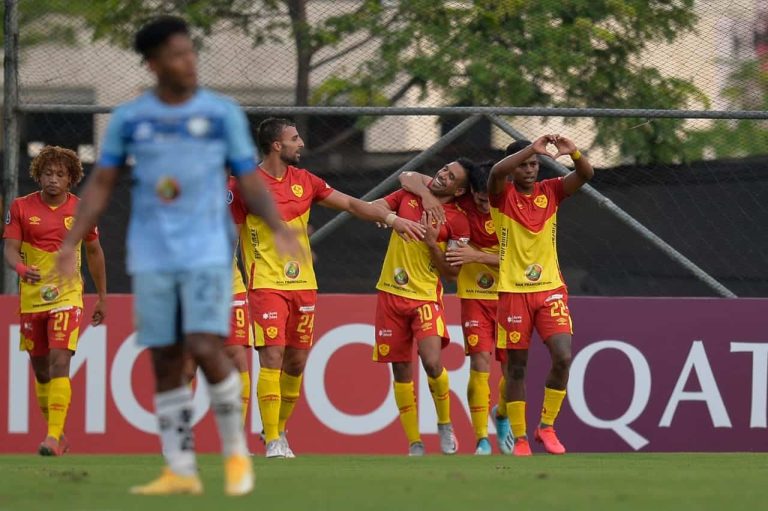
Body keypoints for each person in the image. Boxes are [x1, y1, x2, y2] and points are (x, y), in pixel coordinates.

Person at [56, 17, 299, 496]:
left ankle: (235, 454)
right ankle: (179, 467)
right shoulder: (130, 118)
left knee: (208, 347)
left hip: (208, 252)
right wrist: (70, 242)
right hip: (152, 254)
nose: (189, 62)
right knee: (166, 359)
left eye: (191, 52)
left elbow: (248, 178)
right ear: (153, 63)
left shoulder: (221, 113)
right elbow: (102, 183)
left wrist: (275, 224)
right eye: (177, 54)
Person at [231, 117, 425, 458]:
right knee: (272, 356)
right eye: (294, 138)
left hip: (304, 284)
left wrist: (394, 219)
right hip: (265, 283)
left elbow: (351, 204)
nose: (301, 143)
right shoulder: (244, 186)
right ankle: (274, 440)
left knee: (295, 362)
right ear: (277, 145)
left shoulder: (305, 181)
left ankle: (277, 431)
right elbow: (228, 237)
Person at [488, 135, 594, 456]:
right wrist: (528, 149)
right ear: (513, 169)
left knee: (563, 356)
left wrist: (573, 152)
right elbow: (495, 172)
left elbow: (586, 175)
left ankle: (546, 427)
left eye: (534, 164)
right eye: (524, 165)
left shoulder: (550, 191)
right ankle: (519, 438)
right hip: (512, 293)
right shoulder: (501, 195)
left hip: (550, 290)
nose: (530, 169)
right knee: (516, 369)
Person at [400, 162, 513, 455]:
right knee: (480, 364)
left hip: (511, 295)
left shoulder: (513, 208)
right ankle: (481, 440)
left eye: (490, 199)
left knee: (513, 370)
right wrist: (426, 196)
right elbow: (409, 176)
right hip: (474, 294)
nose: (485, 204)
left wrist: (477, 255)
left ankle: (500, 415)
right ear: (470, 193)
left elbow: (525, 260)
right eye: (479, 199)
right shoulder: (463, 203)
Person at [3, 146, 107, 456]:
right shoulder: (21, 207)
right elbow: (10, 248)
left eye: (60, 174)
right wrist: (21, 268)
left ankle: (51, 437)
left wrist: (102, 297)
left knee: (61, 360)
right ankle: (58, 436)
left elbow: (94, 253)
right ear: (38, 175)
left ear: (71, 178)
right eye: (48, 173)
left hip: (67, 293)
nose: (53, 179)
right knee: (41, 370)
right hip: (32, 297)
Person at [370, 159, 473, 456]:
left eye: (450, 176)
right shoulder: (410, 194)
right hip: (390, 292)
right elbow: (398, 184)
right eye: (443, 169)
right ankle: (414, 442)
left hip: (425, 296)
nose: (443, 175)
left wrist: (431, 243)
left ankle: (444, 423)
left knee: (431, 362)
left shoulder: (458, 220)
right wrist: (384, 212)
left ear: (460, 189)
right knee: (400, 369)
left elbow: (452, 275)